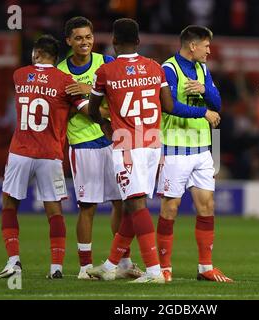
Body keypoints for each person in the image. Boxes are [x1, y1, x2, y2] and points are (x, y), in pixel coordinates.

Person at [86, 18, 220, 283]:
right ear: (138, 41)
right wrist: (202, 110)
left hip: (126, 142)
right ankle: (112, 263)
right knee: (133, 204)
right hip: (154, 143)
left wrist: (104, 123)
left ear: (113, 41)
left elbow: (92, 109)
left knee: (136, 206)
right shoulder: (155, 68)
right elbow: (168, 105)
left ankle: (155, 271)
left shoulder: (105, 72)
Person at [0, 35, 88, 280]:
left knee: (9, 204)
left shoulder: (19, 75)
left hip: (20, 152)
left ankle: (13, 261)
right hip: (50, 154)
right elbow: (84, 110)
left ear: (36, 53)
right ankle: (56, 268)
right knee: (54, 210)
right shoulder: (65, 81)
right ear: (57, 58)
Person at [57, 16, 142, 280]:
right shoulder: (61, 73)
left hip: (113, 142)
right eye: (79, 38)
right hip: (84, 143)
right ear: (69, 41)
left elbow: (116, 102)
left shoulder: (106, 63)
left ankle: (124, 262)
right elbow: (87, 111)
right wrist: (97, 99)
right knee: (88, 206)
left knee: (121, 202)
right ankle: (84, 267)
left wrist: (89, 90)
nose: (85, 42)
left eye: (89, 37)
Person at [156, 25, 232, 283]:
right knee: (170, 209)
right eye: (206, 46)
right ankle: (164, 268)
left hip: (202, 149)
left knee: (207, 207)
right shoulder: (168, 69)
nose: (209, 51)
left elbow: (218, 103)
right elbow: (169, 107)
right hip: (175, 149)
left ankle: (205, 267)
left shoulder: (202, 69)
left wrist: (204, 90)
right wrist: (203, 112)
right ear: (192, 45)